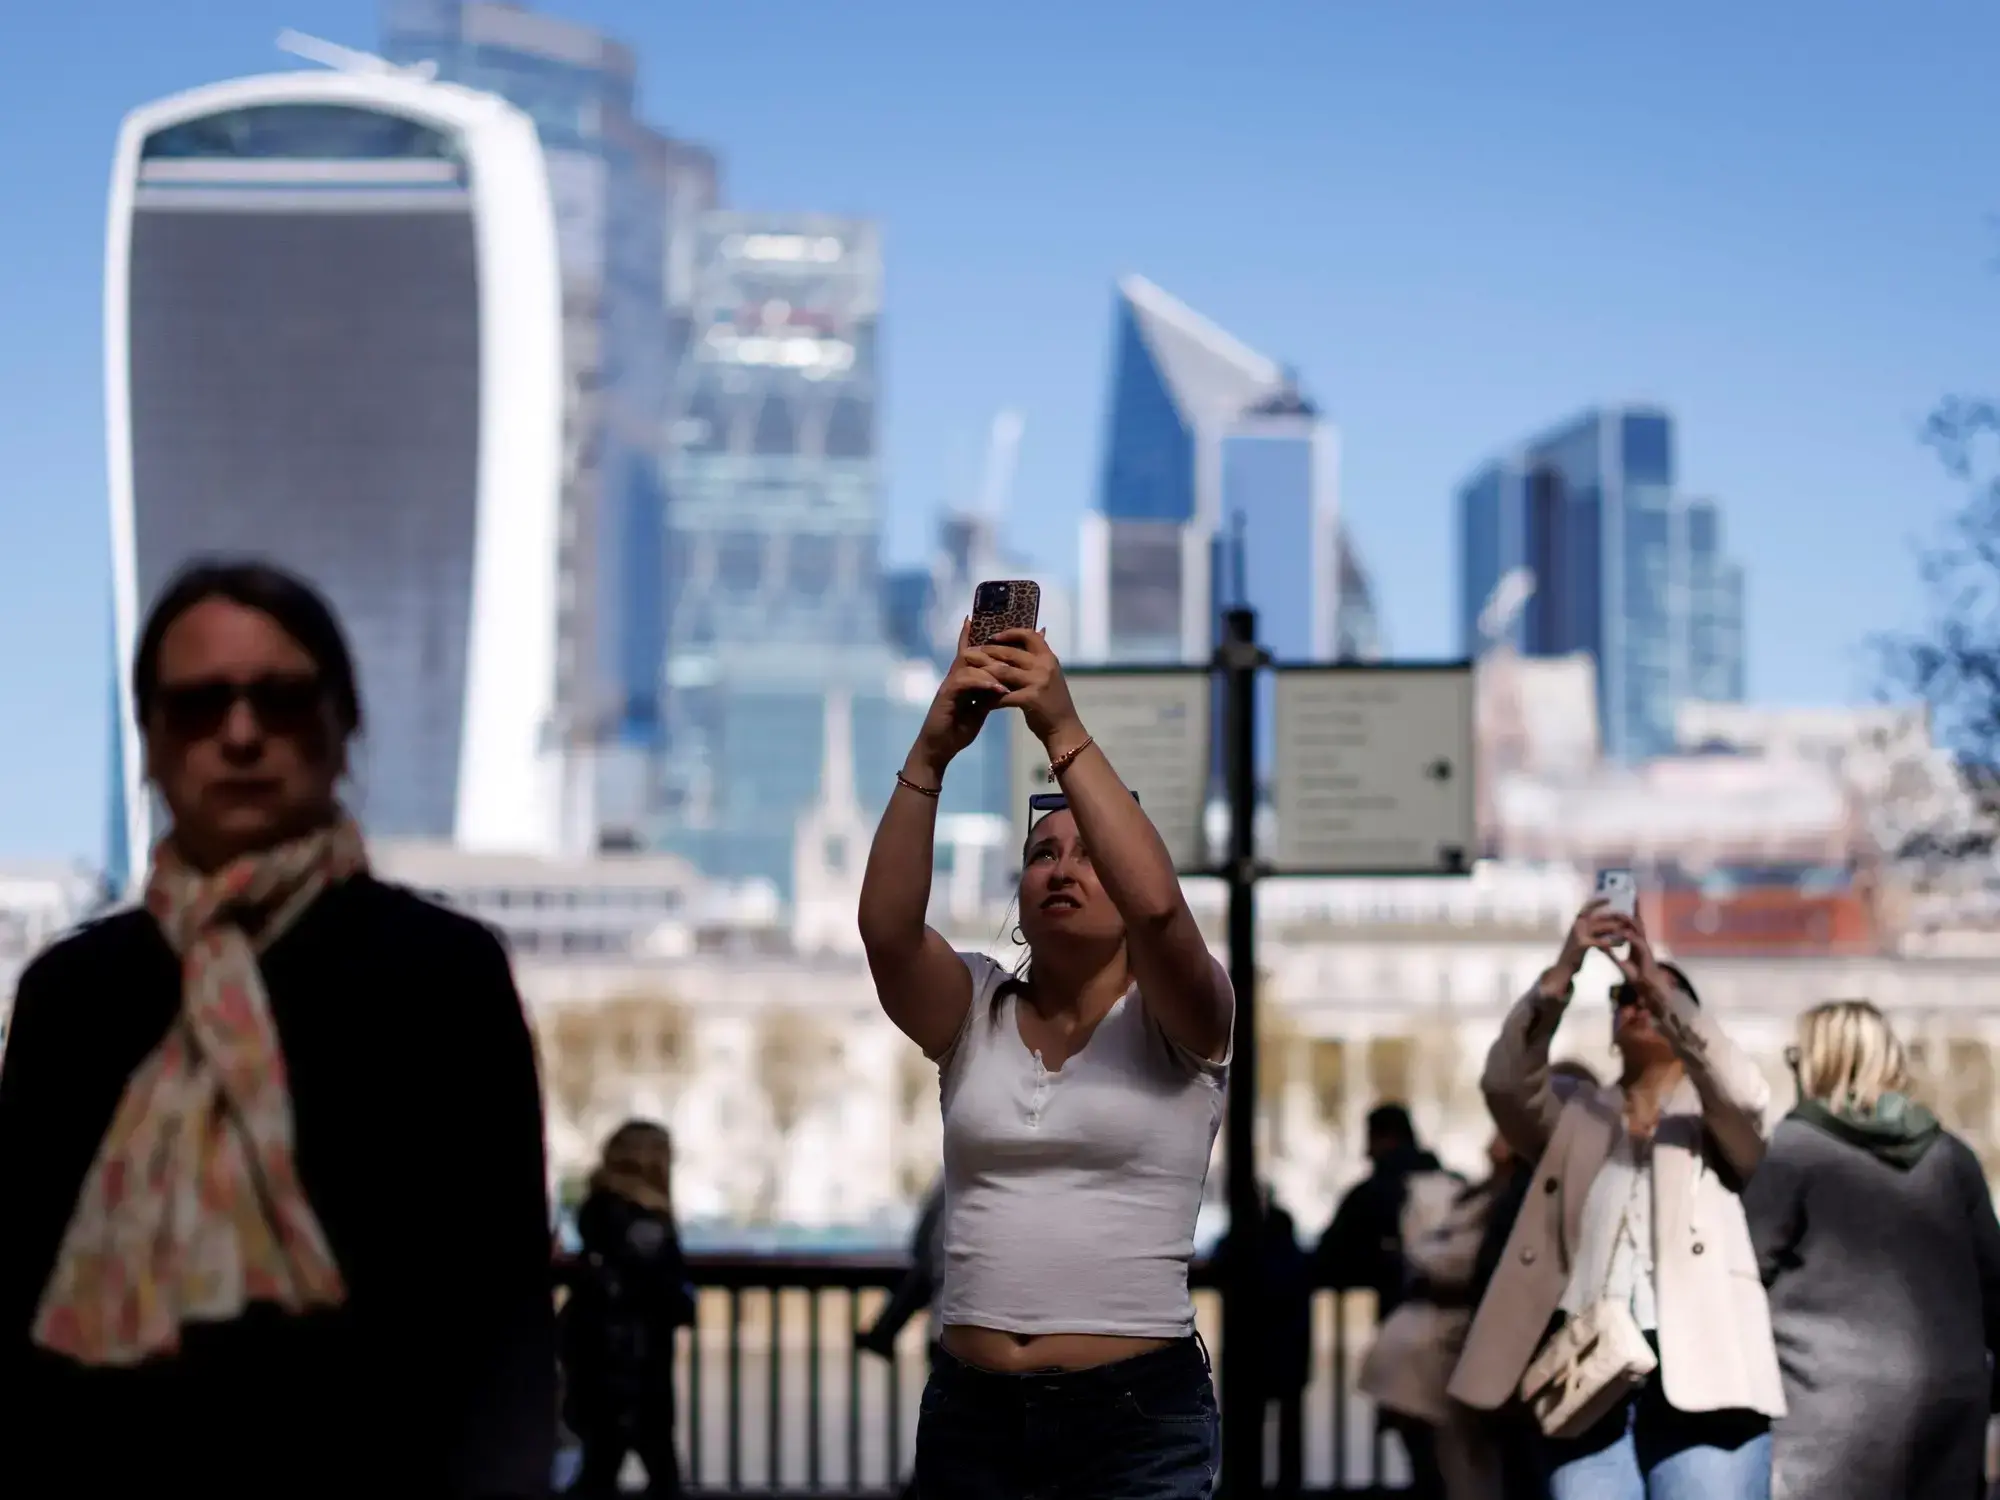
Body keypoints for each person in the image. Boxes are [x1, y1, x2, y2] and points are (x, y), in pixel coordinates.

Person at [0, 560, 555, 1496]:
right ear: (148, 743)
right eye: (199, 705)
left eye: (283, 700)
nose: (243, 734)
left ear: (345, 730)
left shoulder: (444, 977)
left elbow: (500, 1322)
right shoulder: (73, 995)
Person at [858, 621, 1233, 1500]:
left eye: (1092, 853)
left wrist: (1061, 732)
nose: (1063, 867)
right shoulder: (974, 1008)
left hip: (1138, 1421)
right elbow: (886, 932)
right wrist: (932, 752)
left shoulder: (1185, 1018)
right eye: (1041, 854)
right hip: (971, 1412)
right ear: (1021, 898)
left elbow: (1164, 917)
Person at [1447, 900, 1782, 1500]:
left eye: (1651, 998)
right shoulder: (1576, 1117)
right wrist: (1561, 974)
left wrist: (1660, 986)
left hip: (1710, 1383)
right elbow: (1503, 1082)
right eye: (1624, 998)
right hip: (1588, 1383)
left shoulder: (1718, 1120)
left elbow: (1747, 1094)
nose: (1636, 1005)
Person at [1744, 999, 2000, 1500]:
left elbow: (1743, 1273)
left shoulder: (1794, 1151)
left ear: (1818, 1061)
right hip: (1947, 1412)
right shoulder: (1950, 1157)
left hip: (1826, 1420)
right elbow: (1995, 1286)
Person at [1318, 1102, 1460, 1493]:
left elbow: (1328, 1258)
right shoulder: (1455, 1185)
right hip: (1465, 1343)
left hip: (1407, 1339)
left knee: (1423, 1460)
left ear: (1381, 1139)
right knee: (1459, 1462)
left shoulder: (1372, 1193)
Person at [560, 1120, 695, 1498]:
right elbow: (658, 1279)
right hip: (632, 1357)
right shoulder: (644, 1216)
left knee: (602, 1464)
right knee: (650, 1467)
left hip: (602, 1352)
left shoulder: (598, 1207)